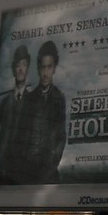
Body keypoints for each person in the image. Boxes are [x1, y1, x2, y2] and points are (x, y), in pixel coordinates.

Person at [24, 40, 67, 183]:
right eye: (43, 67)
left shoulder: (59, 98)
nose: (45, 73)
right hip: (27, 172)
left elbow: (61, 136)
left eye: (49, 67)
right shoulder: (29, 99)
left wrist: (50, 165)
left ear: (54, 68)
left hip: (48, 173)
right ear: (38, 68)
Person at [0, 44, 33, 184]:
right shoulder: (5, 102)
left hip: (21, 172)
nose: (21, 69)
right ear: (14, 69)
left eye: (24, 65)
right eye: (18, 65)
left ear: (27, 69)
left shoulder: (33, 101)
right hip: (1, 170)